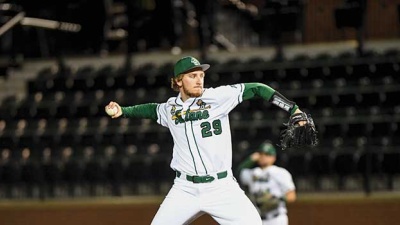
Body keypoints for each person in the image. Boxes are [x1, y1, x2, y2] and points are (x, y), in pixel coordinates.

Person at [105, 56, 306, 225]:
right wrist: (123, 111)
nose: (199, 80)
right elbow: (150, 110)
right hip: (185, 189)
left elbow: (257, 88)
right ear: (178, 81)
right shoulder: (170, 108)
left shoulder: (218, 97)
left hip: (222, 187)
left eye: (201, 75)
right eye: (192, 76)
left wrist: (292, 108)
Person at [238, 141, 296, 225]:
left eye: (267, 154)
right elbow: (239, 172)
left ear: (273, 157)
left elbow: (292, 196)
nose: (263, 157)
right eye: (261, 154)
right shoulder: (253, 173)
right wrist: (250, 159)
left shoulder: (281, 172)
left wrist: (276, 199)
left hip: (277, 219)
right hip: (257, 220)